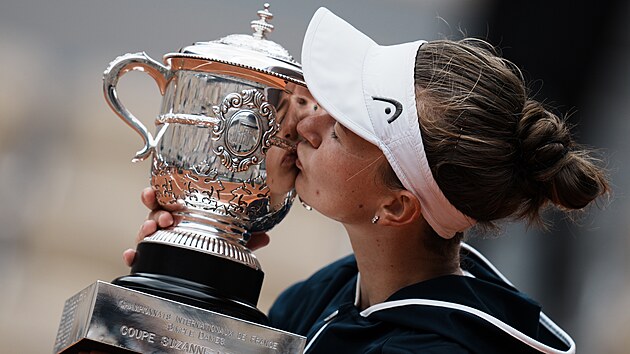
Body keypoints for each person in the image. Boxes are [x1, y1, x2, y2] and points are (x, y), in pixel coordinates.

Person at [124, 8, 609, 353]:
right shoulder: (323, 294)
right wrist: (187, 279)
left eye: (340, 130)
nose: (307, 124)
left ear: (397, 207)